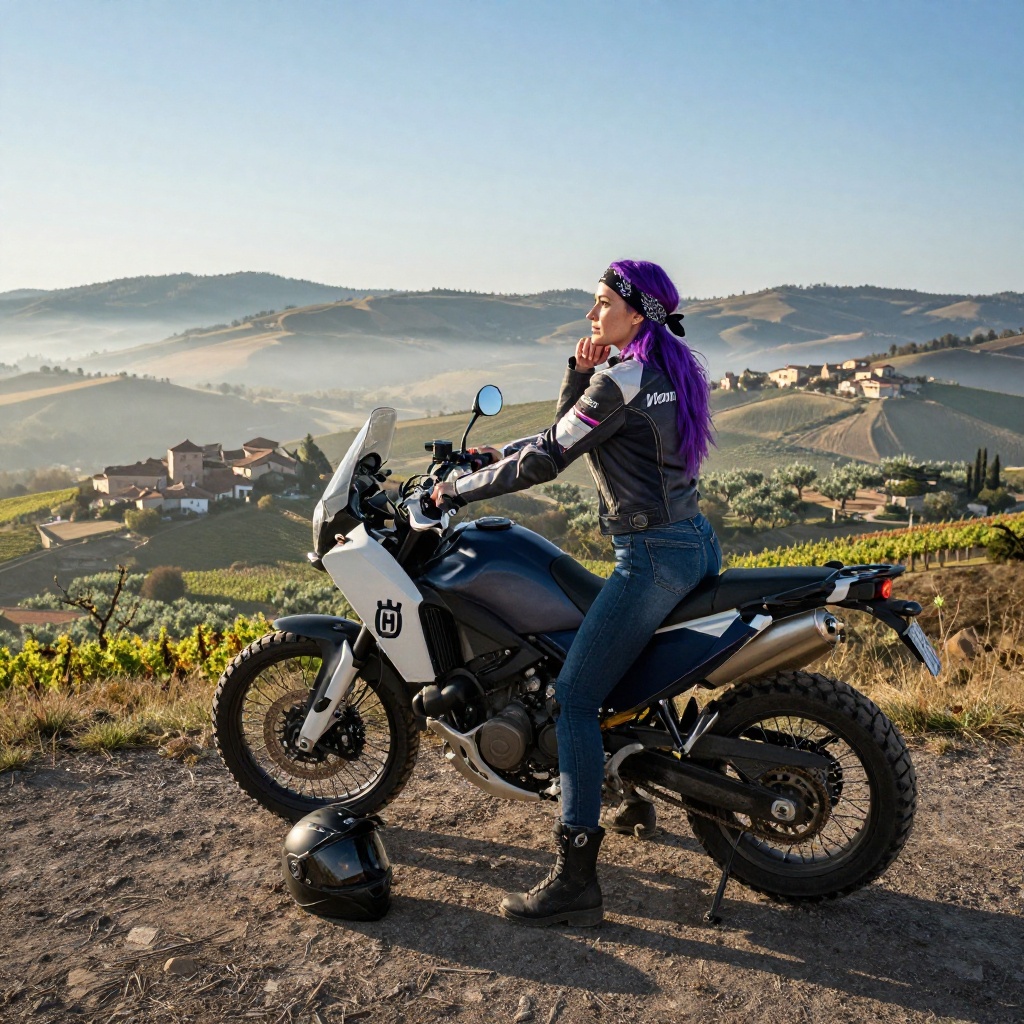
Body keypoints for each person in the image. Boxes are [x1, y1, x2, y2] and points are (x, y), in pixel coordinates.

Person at [431, 260, 721, 927]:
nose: (591, 316)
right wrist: (571, 374)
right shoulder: (669, 369)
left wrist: (458, 490)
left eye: (600, 305)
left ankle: (575, 882)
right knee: (623, 668)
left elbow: (545, 460)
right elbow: (565, 434)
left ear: (635, 312)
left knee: (576, 701)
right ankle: (633, 792)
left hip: (651, 558)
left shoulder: (621, 379)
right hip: (693, 542)